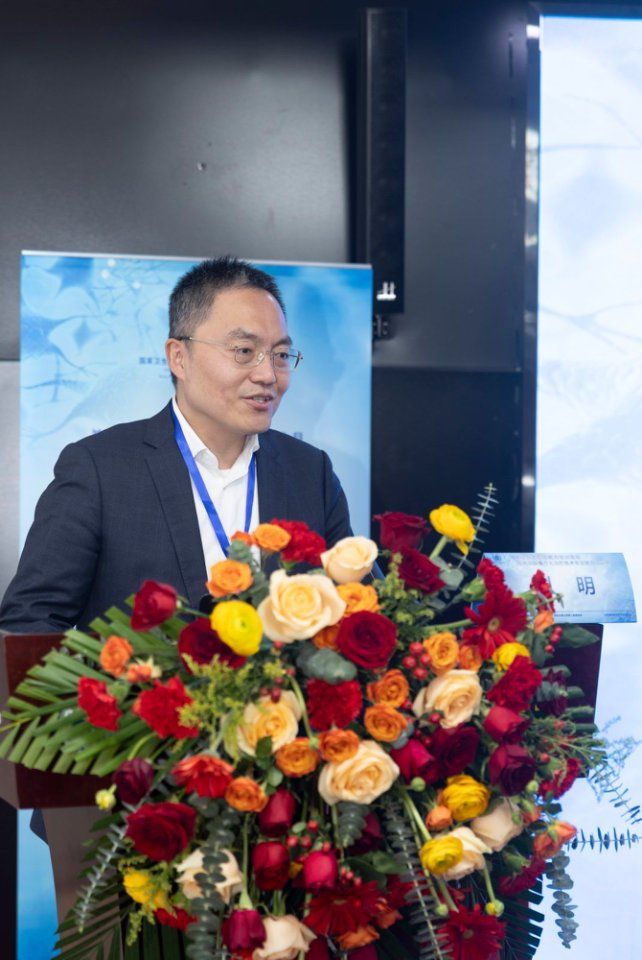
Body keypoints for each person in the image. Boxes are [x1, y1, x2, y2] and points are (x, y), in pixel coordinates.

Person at [0, 255, 352, 633]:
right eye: (244, 351)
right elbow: (29, 622)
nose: (268, 374)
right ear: (179, 358)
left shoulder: (310, 472)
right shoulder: (100, 469)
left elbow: (360, 606)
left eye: (280, 355)